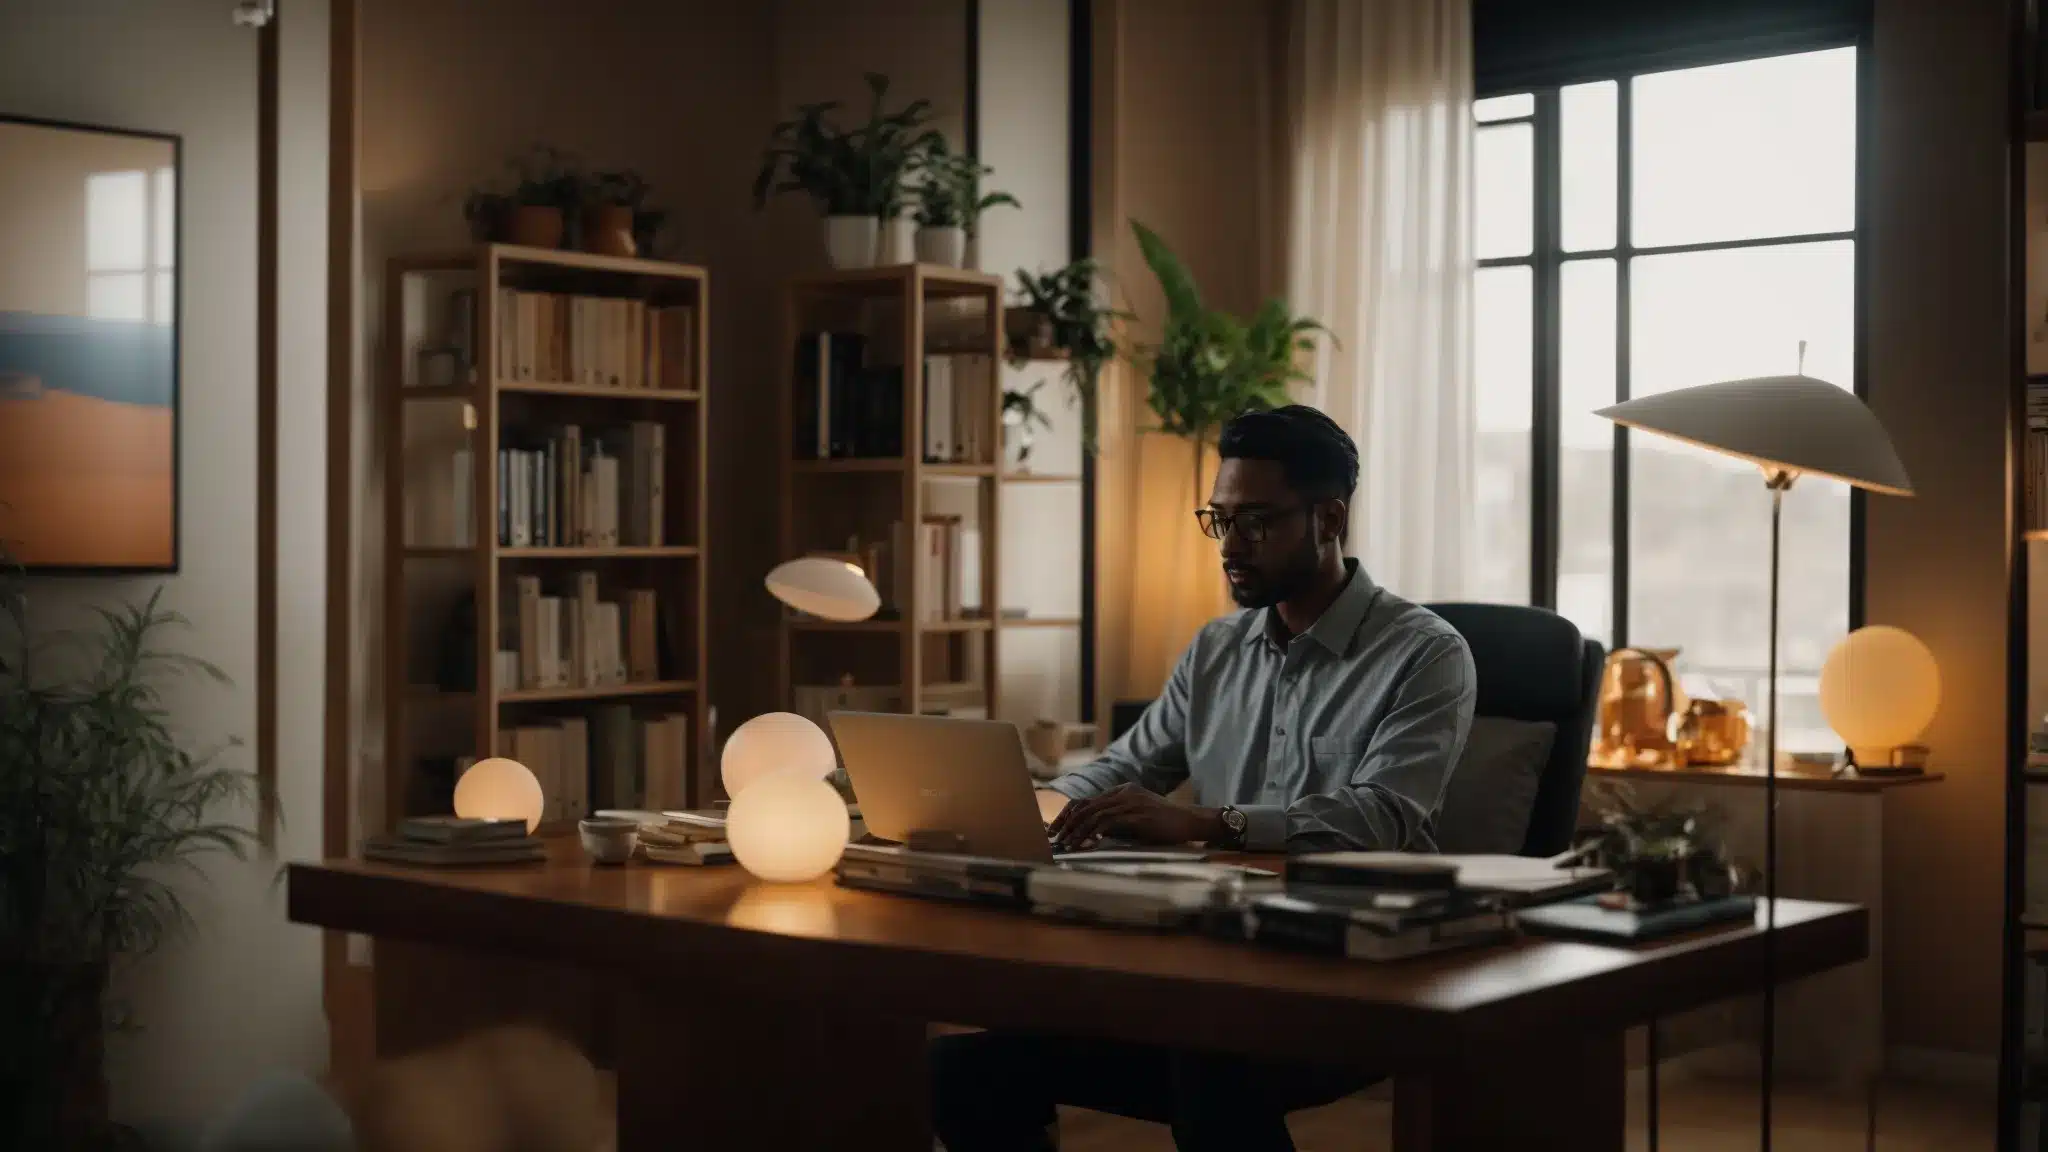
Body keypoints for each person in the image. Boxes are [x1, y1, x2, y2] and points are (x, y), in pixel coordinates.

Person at [930, 404, 1477, 1152]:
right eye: (1219, 520)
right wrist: (1017, 805)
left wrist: (1206, 822)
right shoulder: (1217, 649)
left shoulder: (1425, 653)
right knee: (958, 1070)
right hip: (1217, 959)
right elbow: (1129, 765)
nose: (1230, 546)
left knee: (1208, 1057)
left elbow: (1381, 815)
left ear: (1329, 518)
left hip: (1354, 972)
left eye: (1255, 522)